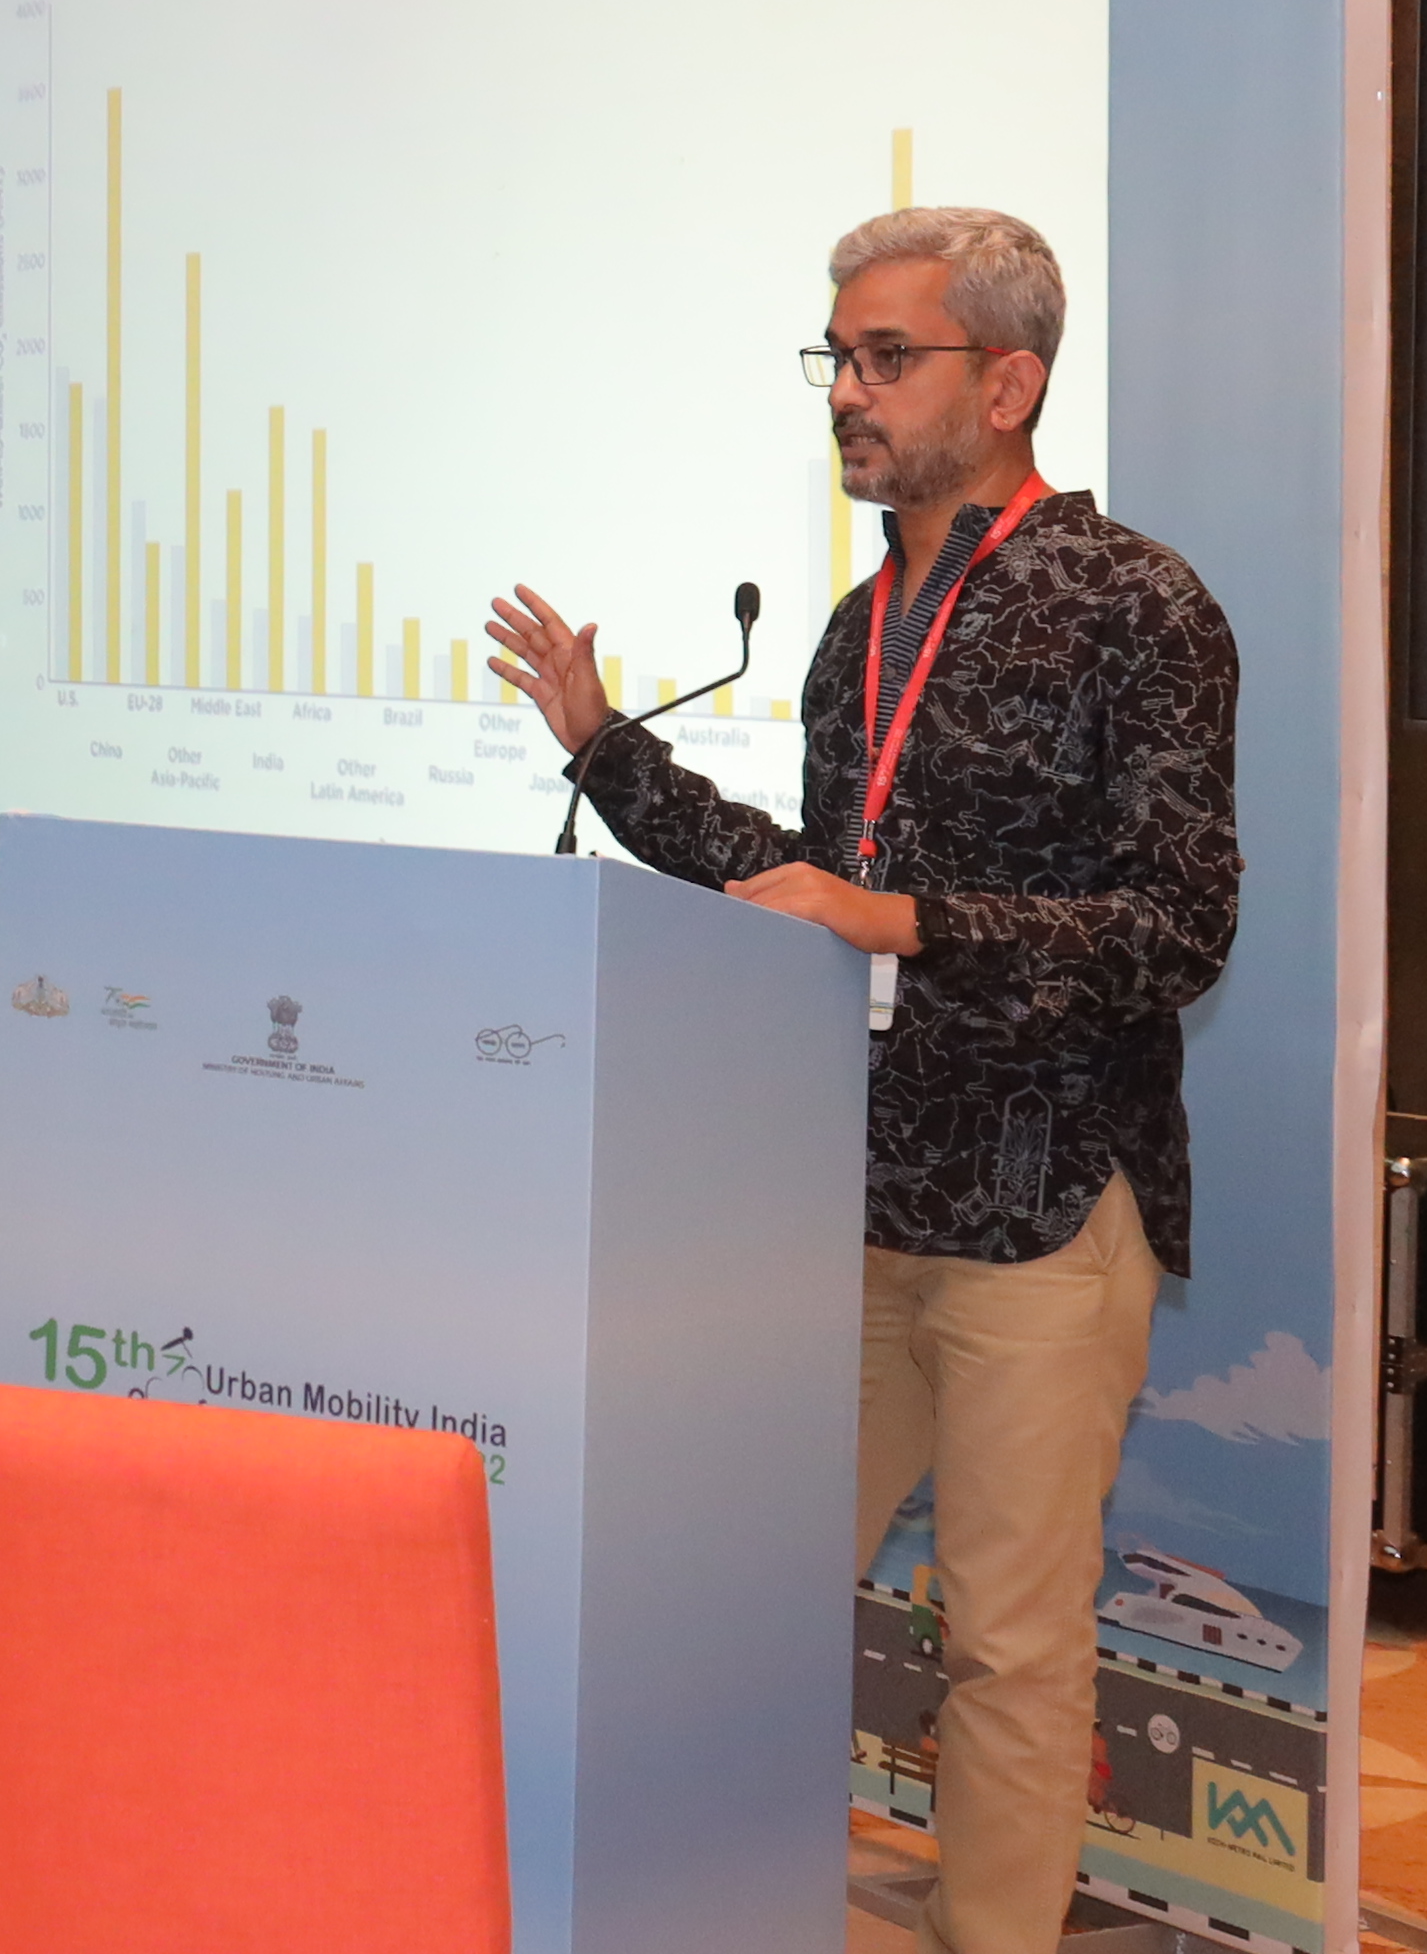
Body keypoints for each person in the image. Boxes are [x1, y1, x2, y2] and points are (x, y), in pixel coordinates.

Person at [486, 207, 1237, 1954]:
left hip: (1044, 1208)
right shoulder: (854, 628)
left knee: (1008, 1643)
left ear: (1010, 383)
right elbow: (810, 889)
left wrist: (897, 915)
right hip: (857, 1202)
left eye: (888, 356)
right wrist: (605, 748)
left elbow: (1176, 925)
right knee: (747, 1583)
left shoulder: (1137, 602)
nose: (846, 389)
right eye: (836, 356)